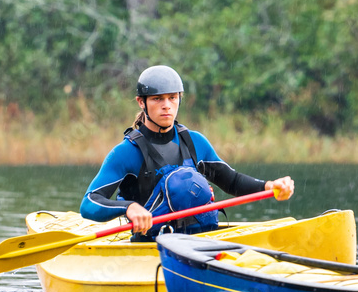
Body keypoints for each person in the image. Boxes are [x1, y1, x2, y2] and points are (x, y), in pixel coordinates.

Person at [81, 65, 294, 240]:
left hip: (201, 243)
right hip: (151, 245)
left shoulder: (195, 142)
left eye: (172, 98)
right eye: (157, 99)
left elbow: (233, 182)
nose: (167, 106)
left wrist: (270, 186)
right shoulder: (126, 153)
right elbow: (89, 203)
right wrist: (129, 208)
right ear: (141, 102)